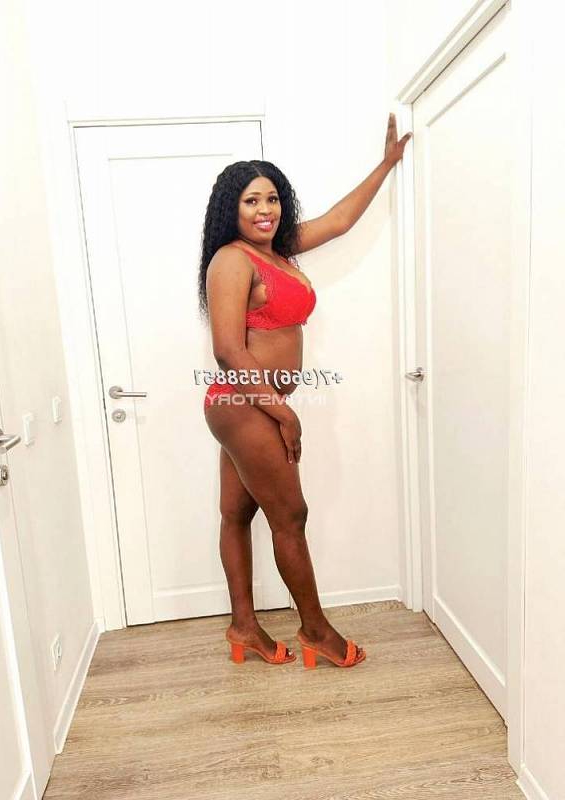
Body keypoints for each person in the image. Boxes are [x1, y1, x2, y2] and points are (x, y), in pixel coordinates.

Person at [198, 113, 412, 668]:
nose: (264, 210)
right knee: (291, 516)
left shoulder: (278, 250)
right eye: (251, 200)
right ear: (230, 209)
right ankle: (316, 630)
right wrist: (283, 413)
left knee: (236, 513)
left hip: (253, 404)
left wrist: (386, 165)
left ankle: (244, 627)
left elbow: (339, 221)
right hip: (244, 402)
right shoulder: (231, 260)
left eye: (271, 198)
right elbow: (229, 351)